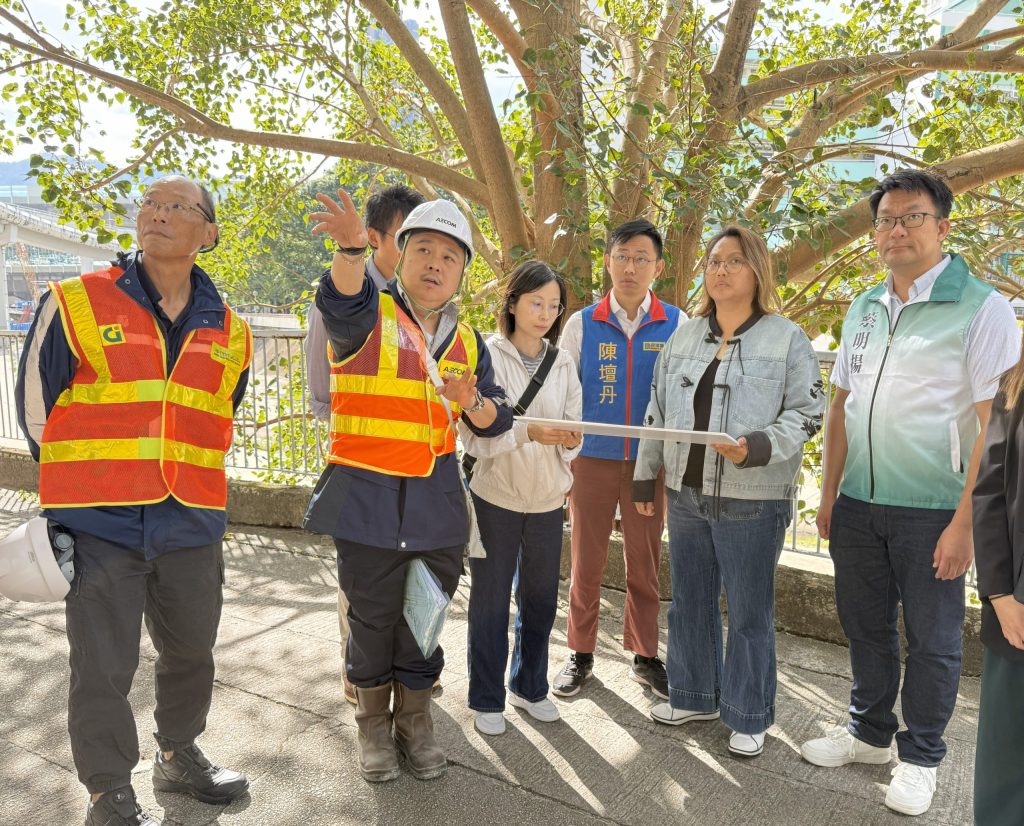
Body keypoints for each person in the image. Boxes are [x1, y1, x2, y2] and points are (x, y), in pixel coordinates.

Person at [15, 175, 253, 826]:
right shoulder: (76, 303)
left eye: (178, 206)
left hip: (191, 518)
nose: (158, 213)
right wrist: (79, 489)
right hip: (100, 521)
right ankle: (108, 792)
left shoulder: (231, 330)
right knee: (102, 664)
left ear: (210, 233)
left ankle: (178, 754)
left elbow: (216, 415)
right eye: (150, 203)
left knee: (192, 651)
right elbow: (35, 410)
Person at [801, 169, 1020, 817]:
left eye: (911, 217)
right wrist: (830, 494)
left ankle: (921, 756)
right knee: (865, 626)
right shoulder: (864, 306)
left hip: (935, 511)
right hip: (860, 508)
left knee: (934, 638)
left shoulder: (982, 309)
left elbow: (994, 428)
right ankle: (869, 733)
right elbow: (841, 407)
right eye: (886, 220)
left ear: (943, 226)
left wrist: (964, 524)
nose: (896, 229)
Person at [303, 190, 512, 783]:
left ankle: (415, 724)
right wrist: (348, 250)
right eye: (423, 249)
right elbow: (339, 299)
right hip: (366, 503)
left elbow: (498, 417)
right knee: (371, 621)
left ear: (462, 273)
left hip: (435, 506)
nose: (435, 264)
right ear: (397, 252)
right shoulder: (368, 313)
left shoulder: (469, 342)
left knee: (423, 619)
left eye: (450, 257)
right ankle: (373, 729)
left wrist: (471, 400)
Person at [632, 225, 823, 757]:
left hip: (753, 498)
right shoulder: (685, 336)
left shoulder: (786, 338)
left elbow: (810, 413)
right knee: (688, 601)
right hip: (688, 496)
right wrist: (646, 475)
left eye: (733, 261)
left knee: (748, 611)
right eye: (714, 261)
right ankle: (694, 695)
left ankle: (748, 713)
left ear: (756, 270)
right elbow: (658, 410)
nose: (720, 269)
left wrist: (759, 445)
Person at [303, 184, 425, 706]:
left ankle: (407, 674)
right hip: (360, 464)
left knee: (407, 576)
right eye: (407, 239)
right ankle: (360, 679)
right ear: (374, 237)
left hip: (411, 466)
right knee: (360, 578)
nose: (421, 253)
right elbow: (321, 385)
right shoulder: (343, 289)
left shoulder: (424, 299)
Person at [554, 218, 685, 699]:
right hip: (591, 459)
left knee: (644, 561)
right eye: (622, 256)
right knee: (586, 560)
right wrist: (568, 455)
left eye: (642, 259)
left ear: (659, 267)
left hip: (650, 464)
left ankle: (645, 654)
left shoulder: (676, 323)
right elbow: (564, 390)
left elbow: (683, 393)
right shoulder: (581, 323)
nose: (631, 267)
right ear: (608, 261)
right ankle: (580, 652)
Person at [459, 261, 582, 736]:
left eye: (554, 306)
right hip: (496, 496)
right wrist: (534, 433)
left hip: (549, 499)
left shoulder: (563, 361)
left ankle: (530, 687)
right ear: (511, 302)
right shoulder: (486, 354)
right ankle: (486, 696)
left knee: (539, 599)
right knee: (490, 600)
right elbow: (477, 436)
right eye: (536, 302)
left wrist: (571, 441)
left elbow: (577, 426)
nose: (546, 313)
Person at [972, 333, 1024, 826]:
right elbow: (989, 492)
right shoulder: (1016, 384)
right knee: (1005, 767)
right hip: (1016, 609)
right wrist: (1000, 594)